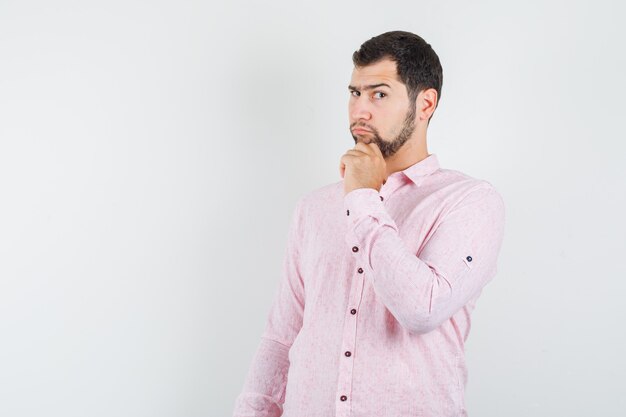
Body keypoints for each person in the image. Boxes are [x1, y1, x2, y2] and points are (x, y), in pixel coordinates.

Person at [232, 30, 505, 417]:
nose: (360, 110)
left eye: (378, 94)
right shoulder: (314, 208)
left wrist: (362, 197)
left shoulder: (469, 201)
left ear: (425, 104)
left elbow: (422, 308)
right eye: (354, 93)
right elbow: (281, 337)